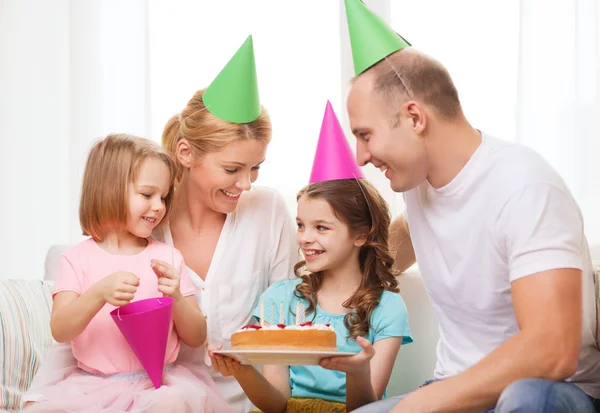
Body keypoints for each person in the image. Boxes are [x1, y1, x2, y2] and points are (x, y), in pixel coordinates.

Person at [341, 0, 600, 412]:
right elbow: (414, 231)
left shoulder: (525, 186)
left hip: (550, 395)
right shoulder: (421, 185)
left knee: (526, 396)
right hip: (458, 393)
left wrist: (420, 404)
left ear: (414, 117)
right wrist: (343, 281)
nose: (360, 156)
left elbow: (554, 351)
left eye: (365, 135)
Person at [22, 35, 297, 413]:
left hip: (212, 398)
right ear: (186, 153)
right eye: (232, 169)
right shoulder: (140, 226)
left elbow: (277, 327)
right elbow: (80, 331)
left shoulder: (267, 212)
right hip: (133, 394)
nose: (246, 184)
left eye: (255, 169)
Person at [209, 102, 412, 413]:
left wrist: (357, 372)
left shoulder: (386, 307)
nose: (305, 238)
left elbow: (367, 408)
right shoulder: (279, 299)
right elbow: (277, 403)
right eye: (301, 225)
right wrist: (243, 371)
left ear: (361, 234)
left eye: (321, 227)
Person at [21, 134, 235, 413]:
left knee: (171, 404)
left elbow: (196, 337)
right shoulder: (75, 259)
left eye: (163, 196)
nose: (159, 206)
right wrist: (97, 293)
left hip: (158, 386)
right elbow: (61, 330)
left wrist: (177, 300)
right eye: (147, 195)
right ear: (108, 190)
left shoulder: (167, 257)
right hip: (92, 386)